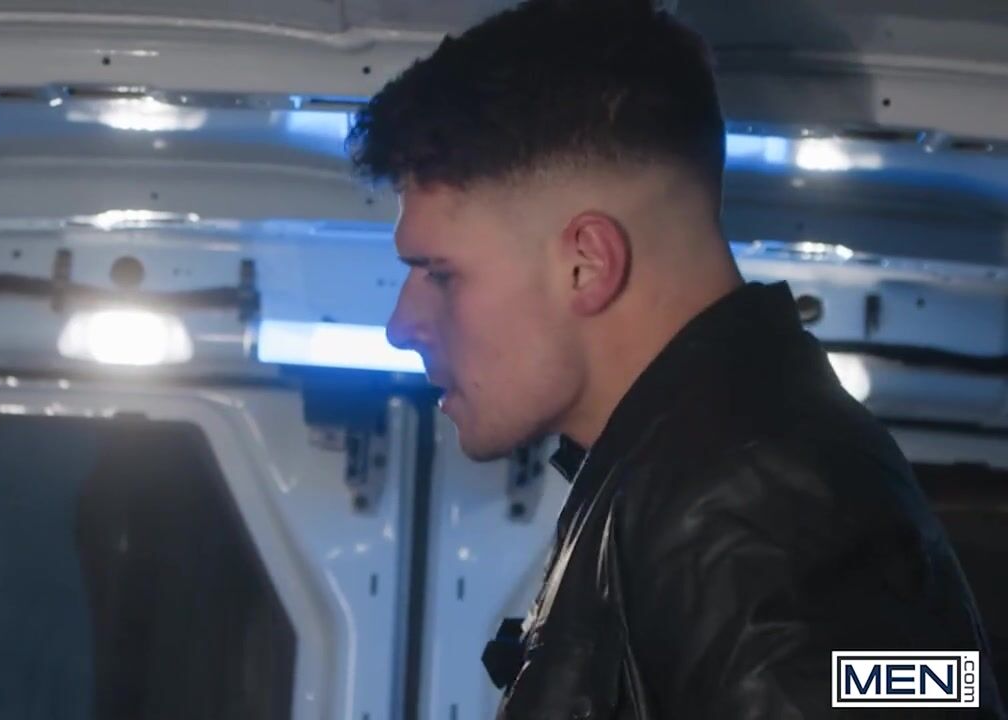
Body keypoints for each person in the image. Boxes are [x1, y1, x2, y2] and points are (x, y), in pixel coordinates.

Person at [347, 0, 1006, 717]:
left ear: (587, 264)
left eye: (440, 274)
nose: (402, 326)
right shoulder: (692, 483)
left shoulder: (758, 510)